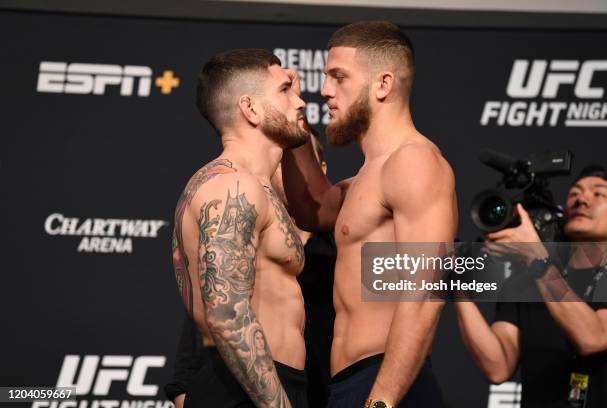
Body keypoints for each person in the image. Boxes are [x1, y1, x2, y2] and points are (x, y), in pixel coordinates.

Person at [282, 21, 458, 408]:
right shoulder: (366, 176)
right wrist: (293, 128)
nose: (325, 90)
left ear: (383, 84)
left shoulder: (414, 162)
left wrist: (382, 400)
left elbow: (425, 295)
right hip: (350, 385)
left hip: (387, 386)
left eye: (338, 77)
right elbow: (313, 211)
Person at [171, 48, 311, 408]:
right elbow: (227, 313)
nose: (300, 101)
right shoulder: (234, 187)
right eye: (285, 90)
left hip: (260, 386)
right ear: (250, 109)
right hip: (246, 390)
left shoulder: (253, 186)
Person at [166, 135, 337, 408]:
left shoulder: (345, 247)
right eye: (283, 161)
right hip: (239, 391)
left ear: (322, 172)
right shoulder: (239, 232)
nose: (288, 171)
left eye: (299, 164)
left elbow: (411, 304)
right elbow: (219, 316)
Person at [455, 165, 607, 408]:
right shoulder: (528, 277)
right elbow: (497, 366)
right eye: (574, 193)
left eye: (598, 194)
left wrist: (535, 256)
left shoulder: (538, 266)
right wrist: (458, 290)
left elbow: (593, 338)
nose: (582, 199)